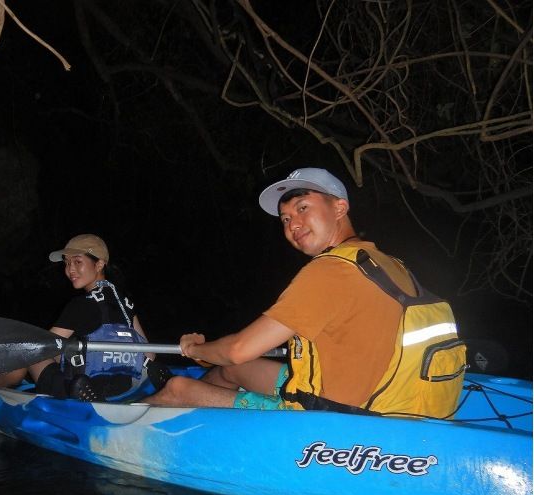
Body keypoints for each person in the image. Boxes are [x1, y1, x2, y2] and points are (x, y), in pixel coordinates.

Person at [147, 168, 466, 417]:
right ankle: (204, 416)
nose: (292, 225)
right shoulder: (388, 263)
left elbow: (238, 349)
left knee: (177, 387)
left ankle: (162, 409)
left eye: (303, 208)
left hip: (338, 421)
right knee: (231, 371)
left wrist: (194, 350)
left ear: (339, 207)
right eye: (286, 218)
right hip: (392, 401)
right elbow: (235, 361)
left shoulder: (329, 271)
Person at [0, 234, 169, 401]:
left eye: (77, 262)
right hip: (124, 389)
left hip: (88, 389)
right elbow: (149, 355)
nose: (70, 270)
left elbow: (43, 349)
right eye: (67, 263)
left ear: (99, 264)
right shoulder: (125, 303)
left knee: (30, 348)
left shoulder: (81, 305)